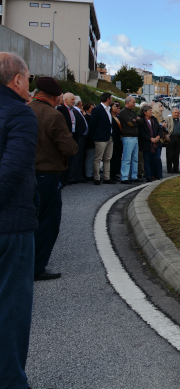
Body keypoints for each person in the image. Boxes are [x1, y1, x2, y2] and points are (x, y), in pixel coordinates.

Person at [0, 53, 38, 389]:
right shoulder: (19, 116)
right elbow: (10, 172)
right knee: (11, 309)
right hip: (11, 226)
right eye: (28, 78)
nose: (30, 84)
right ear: (17, 80)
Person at [29, 76, 78, 280]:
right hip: (48, 174)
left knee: (28, 220)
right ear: (56, 96)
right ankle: (37, 266)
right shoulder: (53, 115)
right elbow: (69, 147)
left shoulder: (26, 109)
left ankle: (23, 262)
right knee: (48, 222)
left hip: (27, 172)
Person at [57, 92, 89, 184]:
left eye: (74, 99)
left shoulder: (73, 110)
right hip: (66, 136)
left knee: (74, 158)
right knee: (66, 158)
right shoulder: (61, 109)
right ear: (66, 100)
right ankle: (64, 178)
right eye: (72, 99)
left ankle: (71, 176)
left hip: (74, 136)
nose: (74, 101)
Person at [88, 92, 115, 185]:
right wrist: (93, 136)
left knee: (107, 158)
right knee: (98, 158)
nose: (111, 100)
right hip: (100, 137)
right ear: (107, 99)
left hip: (109, 136)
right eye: (111, 98)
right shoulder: (97, 109)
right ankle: (97, 178)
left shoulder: (108, 109)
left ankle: (107, 177)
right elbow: (92, 124)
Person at [118, 96, 140, 184]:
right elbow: (131, 123)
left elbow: (140, 121)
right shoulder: (123, 112)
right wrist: (135, 121)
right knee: (127, 158)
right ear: (128, 102)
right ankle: (124, 177)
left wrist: (136, 121)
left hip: (135, 137)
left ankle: (134, 176)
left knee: (135, 158)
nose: (134, 104)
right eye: (133, 102)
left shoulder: (133, 112)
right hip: (128, 137)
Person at [138, 105, 161, 182]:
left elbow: (159, 128)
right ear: (145, 112)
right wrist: (150, 138)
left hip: (156, 143)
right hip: (146, 143)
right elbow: (141, 132)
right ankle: (148, 176)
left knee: (156, 159)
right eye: (150, 111)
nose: (152, 112)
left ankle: (155, 175)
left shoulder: (153, 119)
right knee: (147, 160)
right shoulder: (142, 120)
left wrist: (158, 136)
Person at [164, 107, 180, 174]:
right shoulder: (168, 119)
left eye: (178, 113)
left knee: (176, 155)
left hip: (178, 138)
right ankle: (169, 169)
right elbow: (164, 128)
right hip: (170, 138)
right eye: (175, 113)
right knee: (169, 155)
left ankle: (176, 168)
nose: (176, 114)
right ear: (172, 113)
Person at [152, 101, 166, 179]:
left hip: (161, 139)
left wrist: (164, 126)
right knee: (156, 158)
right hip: (156, 139)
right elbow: (155, 126)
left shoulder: (161, 116)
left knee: (158, 157)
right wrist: (162, 125)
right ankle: (156, 174)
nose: (162, 107)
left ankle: (158, 174)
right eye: (161, 105)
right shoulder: (154, 116)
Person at [110, 101, 123, 181]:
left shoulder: (116, 117)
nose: (117, 108)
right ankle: (111, 174)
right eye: (115, 107)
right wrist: (120, 131)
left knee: (117, 157)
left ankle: (114, 173)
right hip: (114, 138)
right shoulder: (110, 117)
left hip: (119, 139)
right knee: (113, 157)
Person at [82, 101, 96, 181]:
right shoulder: (87, 117)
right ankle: (89, 174)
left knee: (91, 158)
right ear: (87, 110)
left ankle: (89, 173)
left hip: (90, 140)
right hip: (89, 140)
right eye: (92, 108)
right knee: (90, 158)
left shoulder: (90, 117)